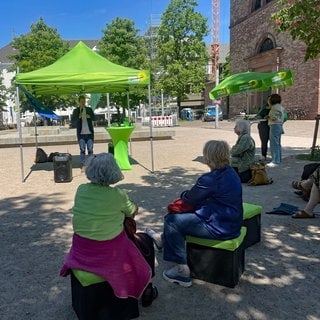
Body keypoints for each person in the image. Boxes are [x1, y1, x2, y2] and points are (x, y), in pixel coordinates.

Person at [60, 153, 158, 314]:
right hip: (108, 253)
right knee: (145, 242)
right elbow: (133, 212)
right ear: (114, 171)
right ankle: (148, 289)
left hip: (82, 250)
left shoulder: (81, 190)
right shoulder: (118, 195)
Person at [147, 140, 243, 287]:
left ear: (208, 158)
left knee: (172, 221)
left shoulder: (209, 179)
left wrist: (183, 194)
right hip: (232, 223)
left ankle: (182, 271)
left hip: (218, 227)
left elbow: (190, 197)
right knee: (181, 218)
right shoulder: (231, 172)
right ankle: (162, 240)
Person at [71, 95, 96, 172]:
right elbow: (73, 122)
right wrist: (79, 117)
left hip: (89, 133)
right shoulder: (76, 111)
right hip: (81, 134)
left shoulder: (89, 109)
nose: (83, 103)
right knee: (82, 149)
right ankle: (83, 165)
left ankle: (91, 164)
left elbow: (95, 118)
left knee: (90, 149)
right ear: (79, 102)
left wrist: (90, 117)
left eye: (84, 102)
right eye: (81, 102)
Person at [230, 119, 256, 183]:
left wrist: (231, 150)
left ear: (240, 128)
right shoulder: (242, 137)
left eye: (236, 126)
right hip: (242, 163)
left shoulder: (245, 138)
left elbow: (236, 151)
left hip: (245, 166)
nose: (234, 128)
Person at [266, 94, 285, 167]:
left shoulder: (274, 108)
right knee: (278, 143)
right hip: (279, 125)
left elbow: (274, 117)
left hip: (274, 125)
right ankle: (278, 159)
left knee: (274, 143)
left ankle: (275, 160)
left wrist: (269, 116)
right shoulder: (280, 107)